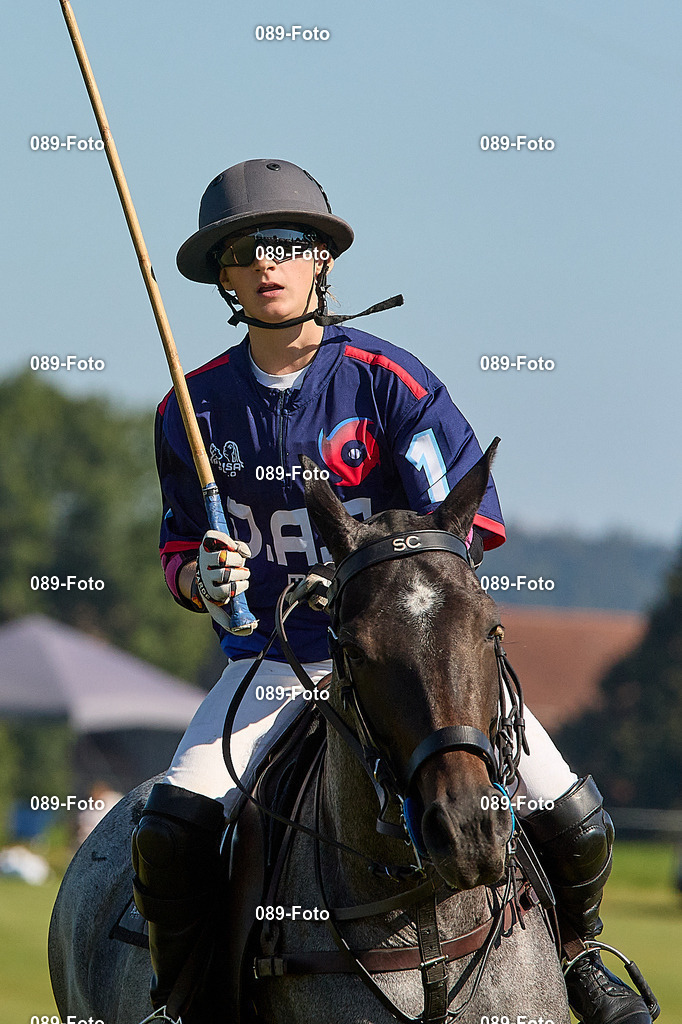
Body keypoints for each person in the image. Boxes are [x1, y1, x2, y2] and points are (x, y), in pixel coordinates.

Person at [131, 159, 653, 1024]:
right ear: (222, 276)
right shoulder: (192, 409)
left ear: (320, 261)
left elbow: (467, 523)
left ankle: (581, 957)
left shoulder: (390, 381)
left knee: (572, 813)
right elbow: (178, 549)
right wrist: (203, 575)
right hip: (274, 663)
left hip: (411, 663)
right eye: (245, 251)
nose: (268, 263)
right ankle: (185, 1005)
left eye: (287, 245)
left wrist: (379, 573)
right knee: (171, 828)